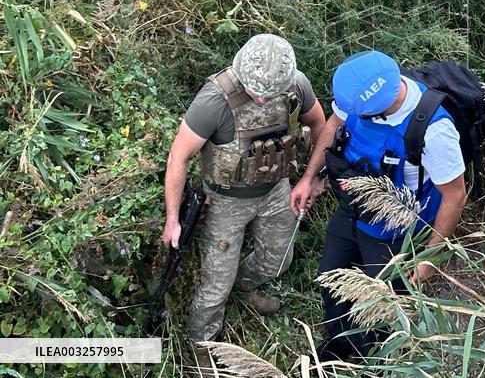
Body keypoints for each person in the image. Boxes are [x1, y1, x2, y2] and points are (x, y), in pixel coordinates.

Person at [160, 34, 329, 371]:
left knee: (279, 259)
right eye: (257, 93)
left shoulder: (295, 85)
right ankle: (202, 345)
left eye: (271, 94)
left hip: (276, 190)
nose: (264, 100)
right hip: (224, 202)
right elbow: (177, 158)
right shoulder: (215, 101)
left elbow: (319, 124)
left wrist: (312, 177)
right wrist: (172, 218)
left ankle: (243, 287)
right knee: (214, 284)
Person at [309, 50, 468, 362]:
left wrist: (429, 257)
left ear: (374, 110)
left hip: (396, 226)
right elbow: (333, 123)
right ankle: (339, 347)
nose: (346, 114)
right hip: (353, 206)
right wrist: (310, 177)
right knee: (330, 276)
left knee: (385, 301)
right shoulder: (359, 95)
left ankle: (378, 359)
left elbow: (455, 196)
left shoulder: (434, 132)